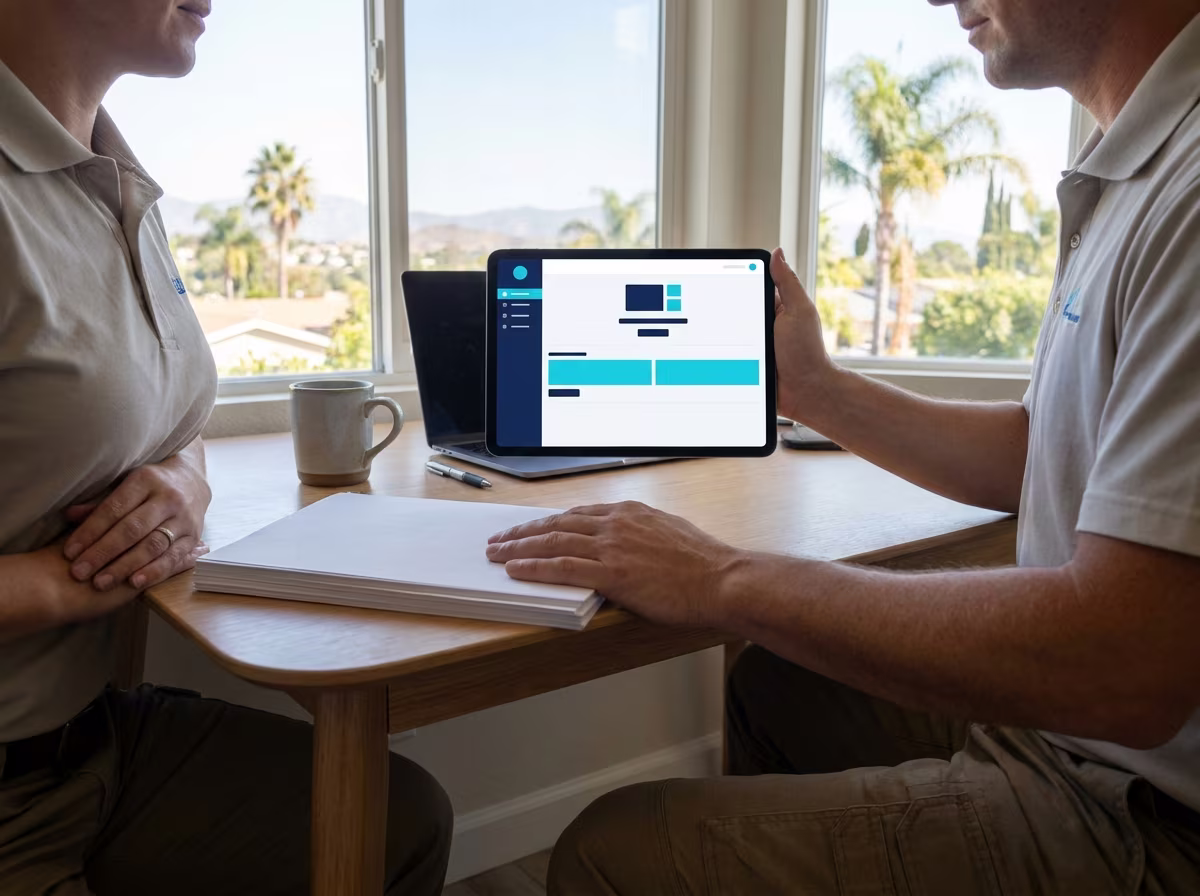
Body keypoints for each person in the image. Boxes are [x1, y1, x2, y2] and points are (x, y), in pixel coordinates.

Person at [485, 0, 1200, 891]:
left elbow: (1122, 663)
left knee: (612, 849)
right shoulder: (1136, 168)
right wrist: (814, 390)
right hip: (1097, 740)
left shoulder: (1190, 193)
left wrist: (722, 577)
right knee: (778, 689)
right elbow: (1039, 452)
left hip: (1153, 812)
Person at [0, 2, 451, 894]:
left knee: (402, 820)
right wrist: (64, 581)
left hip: (93, 743)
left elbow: (176, 416)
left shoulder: (115, 184)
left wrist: (182, 482)